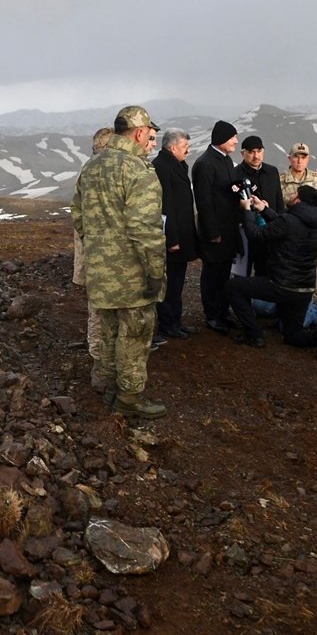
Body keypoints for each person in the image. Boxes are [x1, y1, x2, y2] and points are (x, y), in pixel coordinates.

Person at [71, 106, 168, 420]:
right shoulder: (139, 170)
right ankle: (129, 395)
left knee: (110, 332)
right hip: (132, 275)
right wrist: (155, 271)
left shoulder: (92, 167)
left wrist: (98, 251)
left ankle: (111, 387)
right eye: (148, 135)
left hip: (101, 272)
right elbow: (145, 228)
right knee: (135, 334)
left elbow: (78, 216)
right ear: (140, 133)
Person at [226, 185, 317, 348]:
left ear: (298, 200)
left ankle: (254, 334)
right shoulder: (315, 223)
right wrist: (264, 209)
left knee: (233, 287)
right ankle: (316, 338)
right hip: (304, 289)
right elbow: (284, 225)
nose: (292, 195)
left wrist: (247, 211)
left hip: (281, 285)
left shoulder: (289, 221)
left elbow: (256, 234)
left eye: (295, 193)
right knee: (292, 335)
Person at [72, 127, 115, 386]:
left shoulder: (93, 172)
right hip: (99, 258)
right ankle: (99, 363)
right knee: (98, 311)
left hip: (105, 257)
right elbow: (86, 220)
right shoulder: (93, 175)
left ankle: (105, 360)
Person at [192, 120, 242, 333]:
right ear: (222, 138)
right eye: (233, 137)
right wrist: (212, 233)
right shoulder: (205, 164)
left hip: (228, 229)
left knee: (224, 273)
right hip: (215, 232)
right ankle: (212, 315)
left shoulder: (226, 160)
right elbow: (203, 202)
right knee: (212, 274)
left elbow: (226, 191)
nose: (236, 141)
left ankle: (223, 311)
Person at [152, 129, 198, 340]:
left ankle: (176, 321)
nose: (187, 151)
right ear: (172, 147)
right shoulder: (162, 167)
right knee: (170, 283)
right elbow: (166, 205)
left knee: (178, 281)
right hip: (173, 237)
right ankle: (167, 323)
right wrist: (172, 239)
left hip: (182, 233)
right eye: (184, 148)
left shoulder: (176, 165)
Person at [279, 142, 317, 281]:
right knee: (287, 267)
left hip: (312, 234)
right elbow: (277, 207)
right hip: (289, 234)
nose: (299, 161)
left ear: (308, 158)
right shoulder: (280, 180)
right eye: (296, 156)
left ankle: (310, 297)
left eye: (303, 157)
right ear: (289, 158)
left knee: (312, 266)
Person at [236, 135, 284, 277]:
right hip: (244, 232)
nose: (256, 156)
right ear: (242, 153)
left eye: (259, 151)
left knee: (266, 272)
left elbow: (279, 201)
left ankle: (261, 299)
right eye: (251, 152)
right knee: (241, 272)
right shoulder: (235, 173)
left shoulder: (272, 171)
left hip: (269, 232)